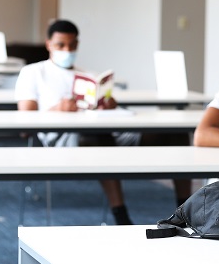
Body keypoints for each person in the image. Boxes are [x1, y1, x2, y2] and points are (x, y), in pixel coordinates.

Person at [14, 19, 191, 225]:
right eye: (61, 45)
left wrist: (110, 105)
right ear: (48, 44)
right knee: (101, 137)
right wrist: (57, 109)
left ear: (77, 45)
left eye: (71, 45)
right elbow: (25, 124)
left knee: (176, 133)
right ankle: (120, 214)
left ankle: (186, 210)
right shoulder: (33, 72)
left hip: (105, 129)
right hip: (63, 138)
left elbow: (105, 109)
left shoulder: (87, 75)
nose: (67, 50)